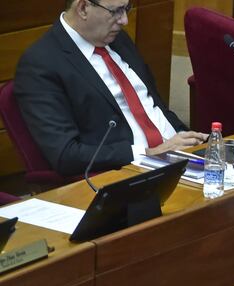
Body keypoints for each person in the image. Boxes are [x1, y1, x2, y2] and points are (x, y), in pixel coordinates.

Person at [14, 0, 207, 177]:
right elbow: (66, 154)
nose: (124, 20)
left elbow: (153, 105)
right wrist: (150, 152)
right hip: (132, 173)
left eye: (126, 8)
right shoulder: (41, 63)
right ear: (83, 8)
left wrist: (189, 138)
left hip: (180, 156)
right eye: (115, 11)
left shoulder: (117, 39)